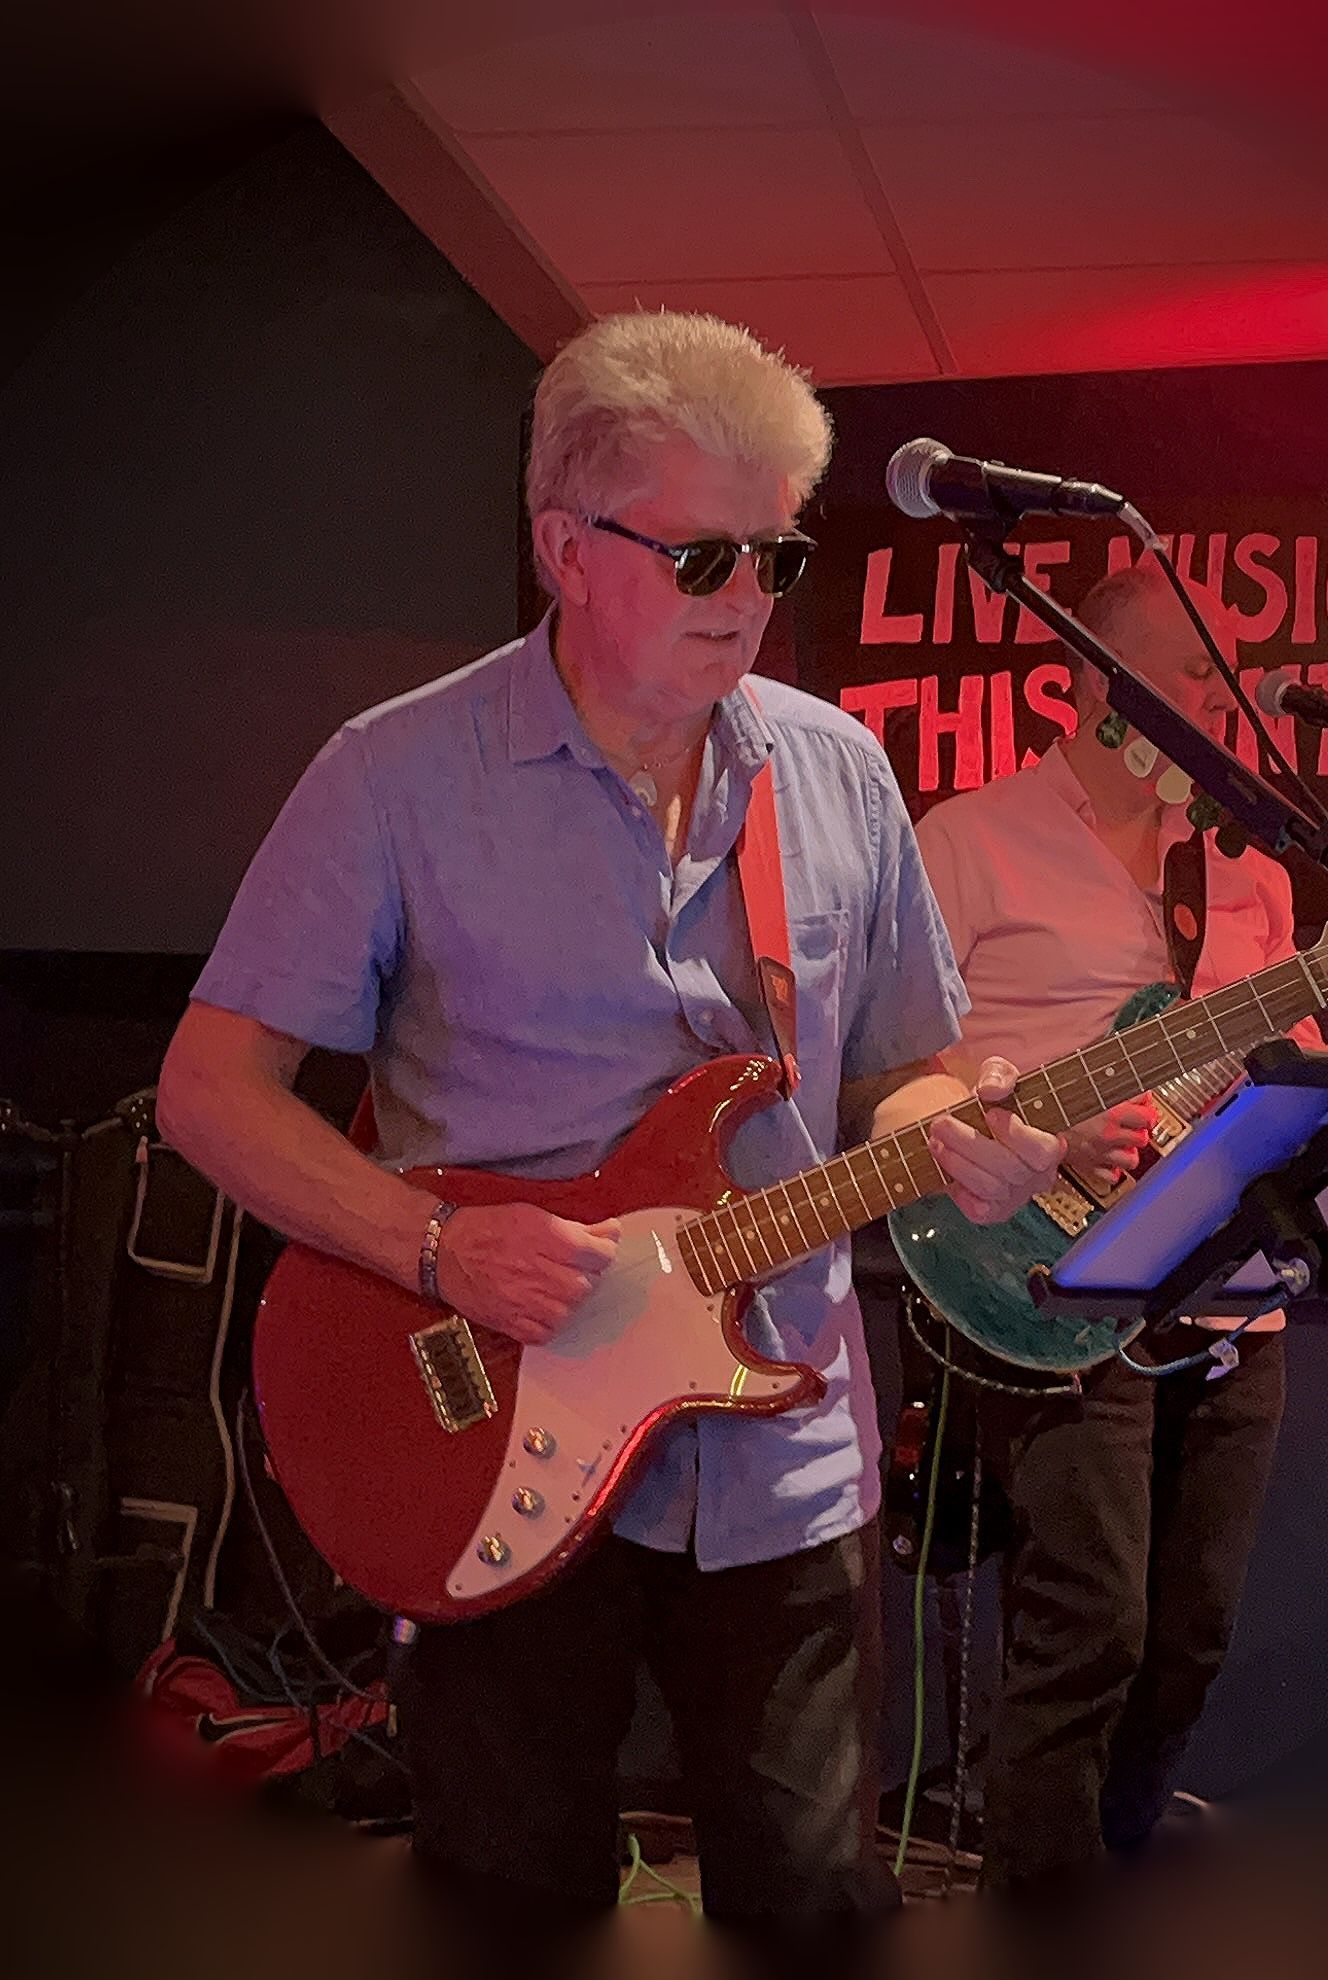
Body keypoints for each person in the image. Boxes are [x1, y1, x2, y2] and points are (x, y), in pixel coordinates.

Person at [155, 310, 1065, 1930]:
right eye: (702, 555)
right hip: (487, 1439)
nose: (748, 597)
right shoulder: (392, 777)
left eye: (776, 556)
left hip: (779, 1452)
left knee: (811, 1904)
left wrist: (962, 1125)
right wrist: (434, 1246)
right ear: (565, 550)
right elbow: (207, 1091)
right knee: (511, 1902)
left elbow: (898, 1071)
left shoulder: (838, 772)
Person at [913, 561, 1328, 1893]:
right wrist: (1038, 1124)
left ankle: (1114, 1862)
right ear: (1093, 676)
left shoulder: (1243, 864)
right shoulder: (968, 840)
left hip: (1220, 1276)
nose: (1220, 699)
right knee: (1089, 1623)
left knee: (1189, 1633)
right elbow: (896, 1067)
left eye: (1222, 674)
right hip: (1048, 1267)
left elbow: (1277, 1058)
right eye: (1192, 671)